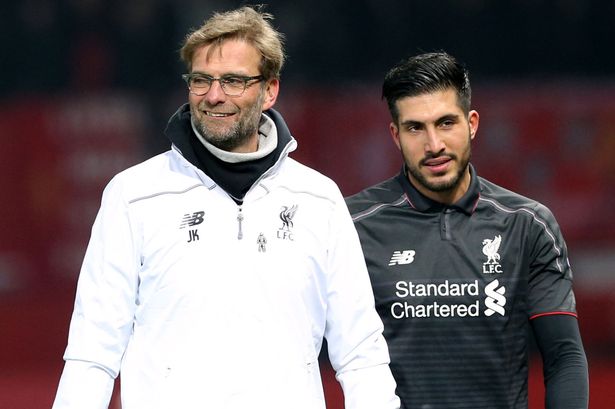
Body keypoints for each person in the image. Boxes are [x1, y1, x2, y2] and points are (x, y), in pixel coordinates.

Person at [51, 6, 400, 409]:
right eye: (201, 80)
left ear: (270, 90)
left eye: (233, 81)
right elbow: (92, 350)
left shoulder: (318, 199)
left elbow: (361, 353)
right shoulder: (133, 195)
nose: (214, 96)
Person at [345, 52, 589, 409]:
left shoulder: (527, 224)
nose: (434, 145)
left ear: (471, 123)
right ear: (395, 135)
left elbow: (564, 356)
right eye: (416, 128)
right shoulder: (351, 225)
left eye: (446, 123)